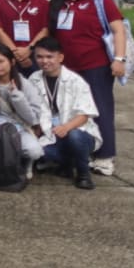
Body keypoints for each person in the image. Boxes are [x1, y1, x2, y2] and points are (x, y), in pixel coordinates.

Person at [48, 0, 127, 177]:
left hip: (96, 66)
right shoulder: (58, 5)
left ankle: (105, 156)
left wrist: (119, 58)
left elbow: (119, 31)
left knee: (100, 110)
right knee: (71, 111)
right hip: (67, 69)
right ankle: (81, 152)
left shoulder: (100, 1)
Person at [28, 37, 100, 189]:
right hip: (51, 133)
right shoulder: (34, 79)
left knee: (74, 136)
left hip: (77, 131)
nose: (44, 61)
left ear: (60, 57)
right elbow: (31, 108)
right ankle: (67, 163)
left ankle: (83, 173)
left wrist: (66, 127)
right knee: (35, 151)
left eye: (49, 57)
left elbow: (84, 114)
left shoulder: (75, 81)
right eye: (39, 57)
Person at [0, 43, 44, 180]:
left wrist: (18, 98)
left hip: (20, 128)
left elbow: (33, 119)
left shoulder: (24, 84)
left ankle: (26, 163)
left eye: (1, 61)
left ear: (11, 62)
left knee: (34, 151)